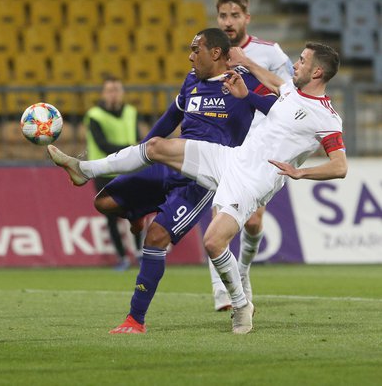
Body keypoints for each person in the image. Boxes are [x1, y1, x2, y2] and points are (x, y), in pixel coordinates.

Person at [48, 42, 346, 335]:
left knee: (213, 243)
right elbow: (276, 94)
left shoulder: (326, 117)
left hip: (252, 183)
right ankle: (83, 169)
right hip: (229, 159)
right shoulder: (291, 91)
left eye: (303, 61)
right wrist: (247, 91)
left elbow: (339, 166)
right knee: (156, 146)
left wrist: (300, 171)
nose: (296, 63)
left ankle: (241, 305)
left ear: (317, 71)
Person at [71, 27, 276, 335]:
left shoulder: (244, 81)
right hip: (170, 160)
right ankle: (136, 211)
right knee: (104, 201)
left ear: (216, 53)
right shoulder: (191, 81)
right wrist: (140, 157)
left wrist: (250, 97)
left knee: (155, 238)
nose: (190, 56)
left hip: (202, 178)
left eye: (196, 50)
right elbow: (168, 122)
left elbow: (280, 111)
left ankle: (134, 319)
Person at [210, 0, 295, 311]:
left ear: (247, 17)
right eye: (223, 16)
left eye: (234, 16)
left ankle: (242, 272)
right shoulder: (210, 50)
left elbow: (288, 93)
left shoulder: (268, 51)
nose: (228, 22)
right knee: (221, 211)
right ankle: (222, 289)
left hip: (262, 143)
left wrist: (246, 64)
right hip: (225, 141)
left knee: (254, 222)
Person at [85, 76, 142, 270]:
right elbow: (102, 144)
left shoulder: (130, 112)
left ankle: (139, 253)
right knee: (111, 217)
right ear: (103, 93)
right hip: (104, 172)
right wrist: (129, 149)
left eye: (117, 89)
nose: (114, 94)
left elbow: (138, 138)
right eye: (110, 90)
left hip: (128, 170)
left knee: (135, 212)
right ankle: (121, 257)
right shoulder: (94, 115)